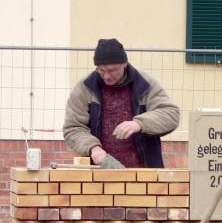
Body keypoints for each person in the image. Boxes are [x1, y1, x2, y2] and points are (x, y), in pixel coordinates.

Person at [63, 38, 180, 168]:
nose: (106, 76)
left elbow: (171, 114)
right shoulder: (84, 88)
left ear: (125, 64)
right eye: (101, 70)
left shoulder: (145, 84)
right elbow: (73, 128)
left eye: (112, 70)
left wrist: (139, 123)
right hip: (99, 172)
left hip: (144, 172)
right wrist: (93, 148)